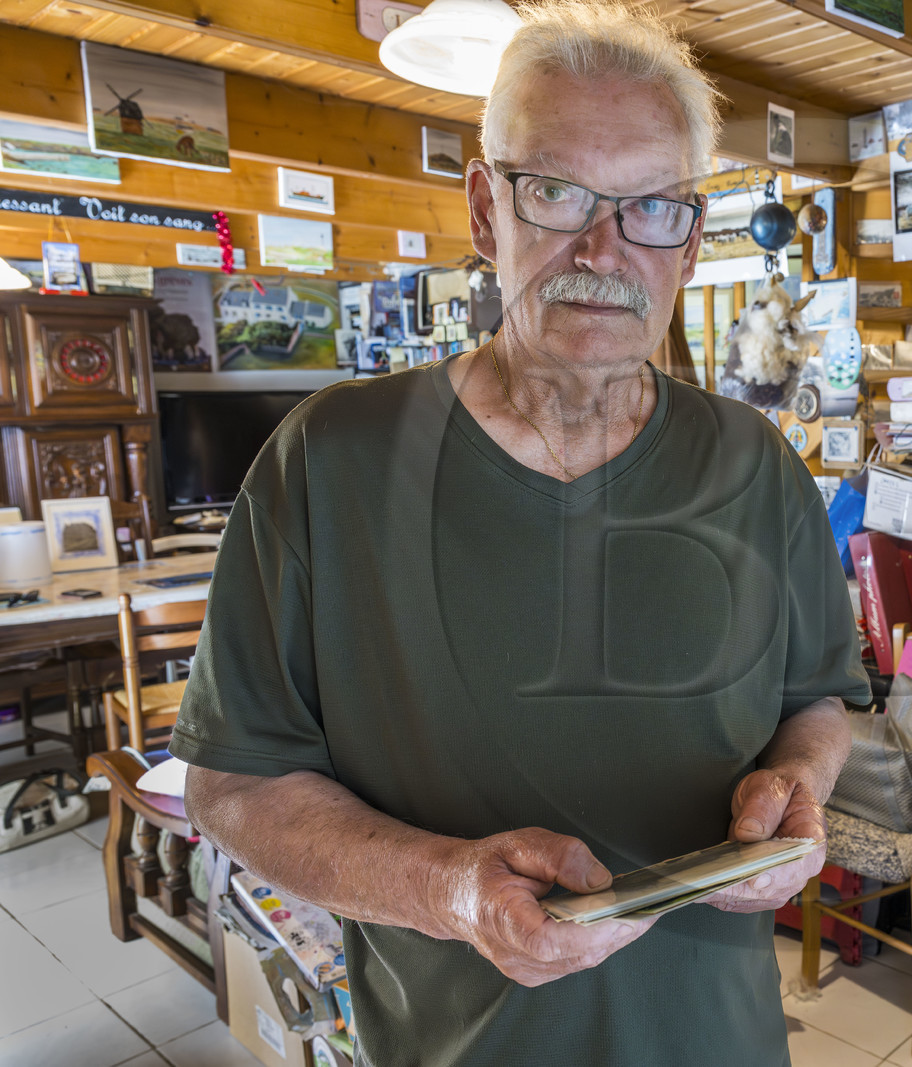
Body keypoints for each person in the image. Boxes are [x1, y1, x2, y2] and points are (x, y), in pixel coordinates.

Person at [170, 3, 870, 1064]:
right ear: (484, 209)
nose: (604, 248)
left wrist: (799, 788)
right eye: (554, 192)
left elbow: (815, 700)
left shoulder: (754, 460)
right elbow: (233, 784)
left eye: (649, 206)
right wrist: (452, 890)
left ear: (688, 233)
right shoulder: (330, 461)